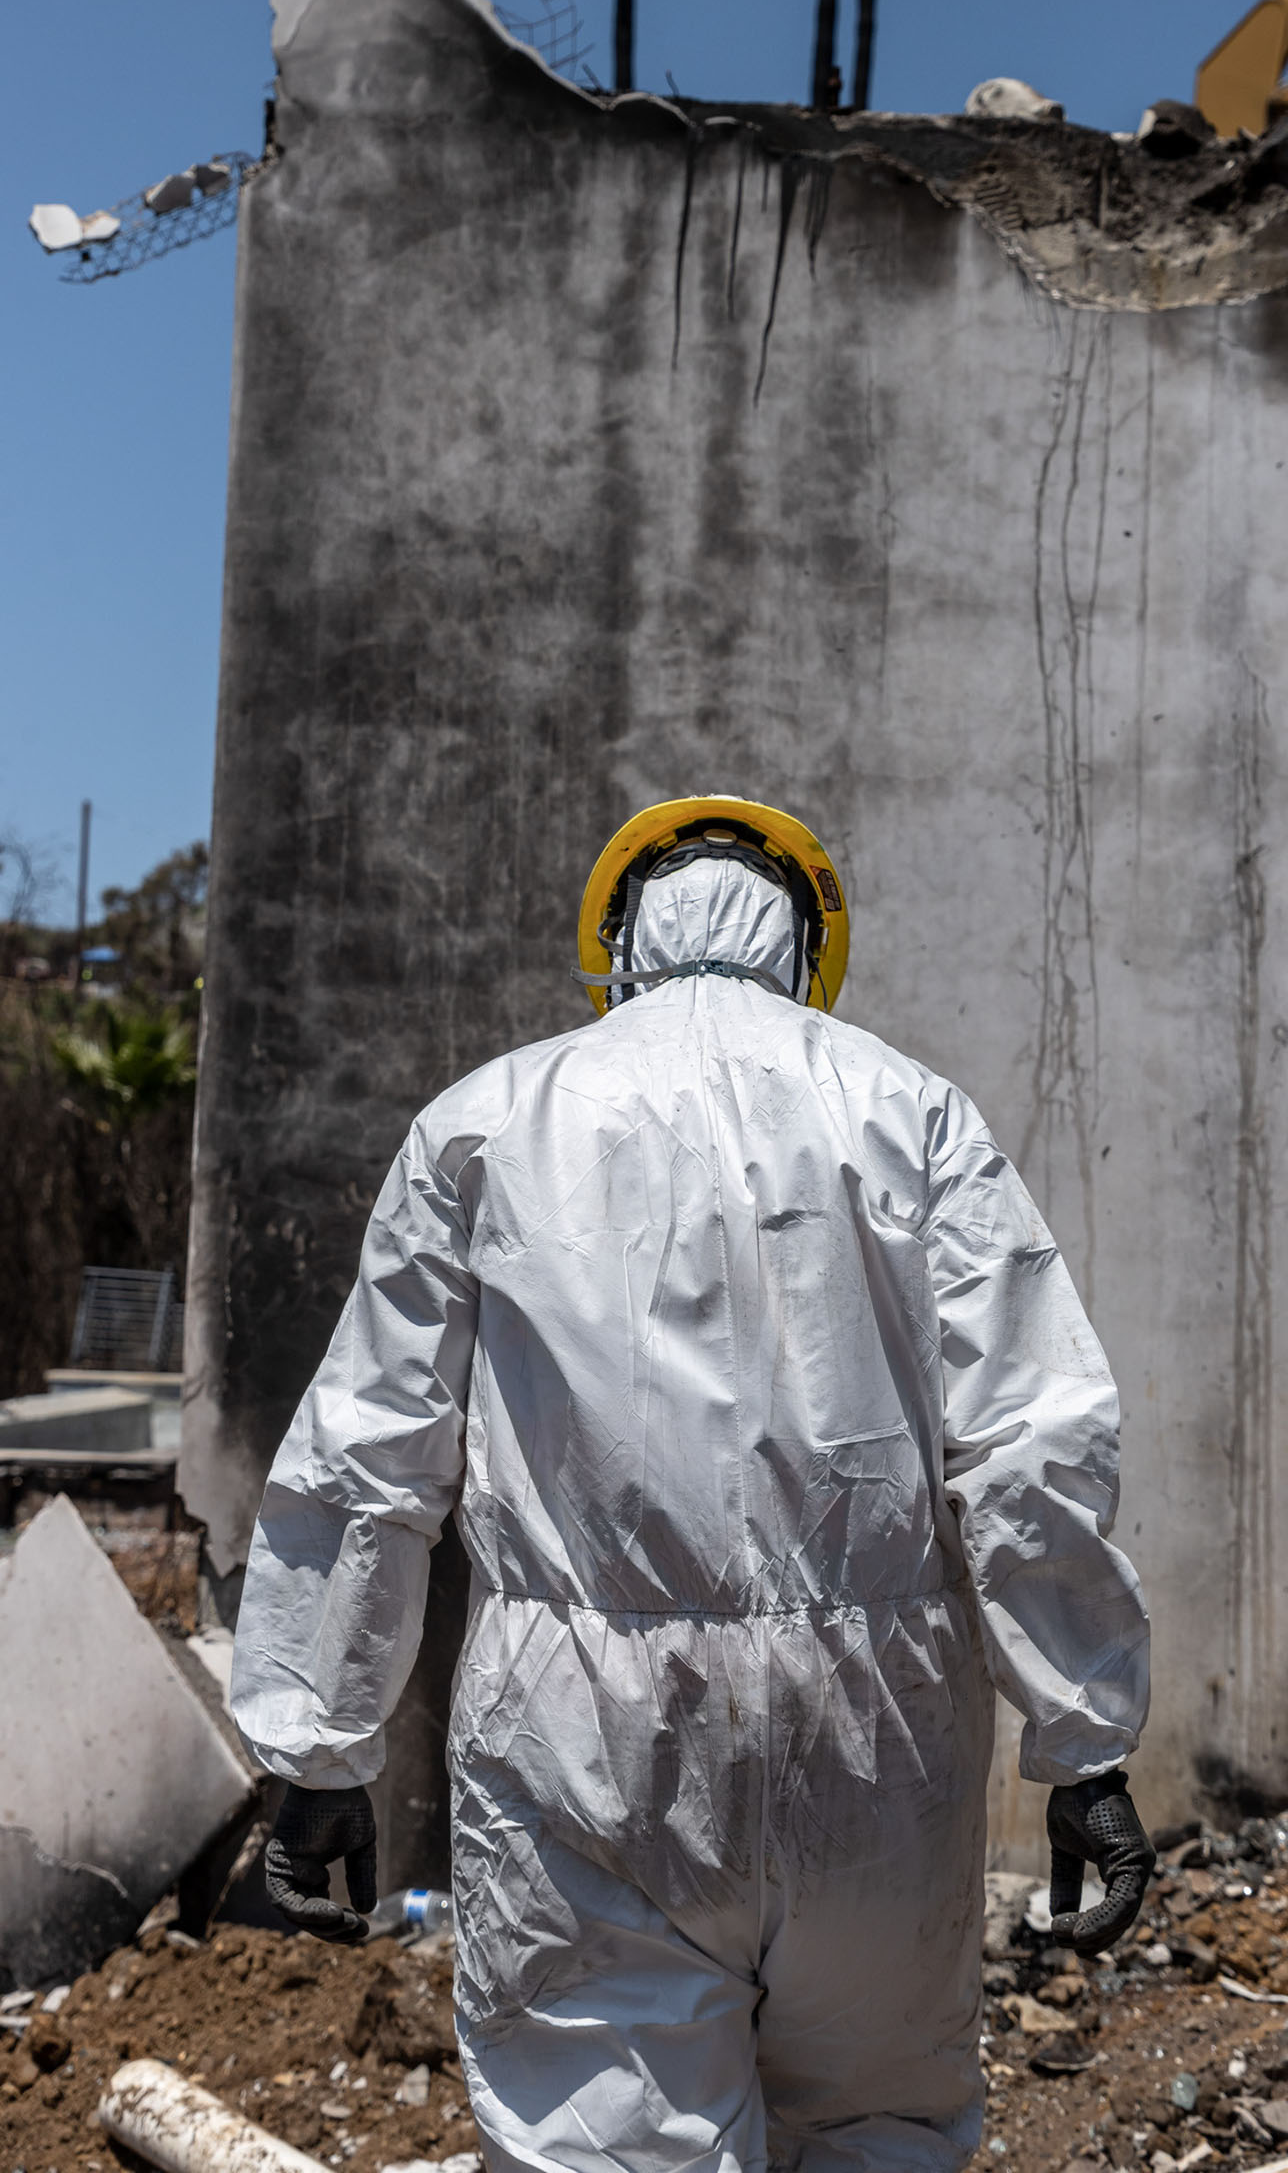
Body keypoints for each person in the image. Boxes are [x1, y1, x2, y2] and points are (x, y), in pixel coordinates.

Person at [231, 795, 1153, 2173]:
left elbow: (372, 1456)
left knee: (606, 2144)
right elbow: (1032, 1441)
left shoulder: (487, 1122)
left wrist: (317, 1748)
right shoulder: (916, 1114)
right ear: (808, 946)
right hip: (879, 1735)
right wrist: (1083, 1738)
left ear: (617, 938)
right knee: (877, 2134)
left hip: (585, 1745)